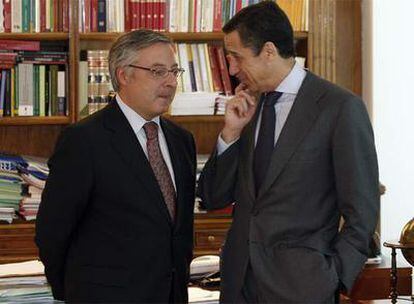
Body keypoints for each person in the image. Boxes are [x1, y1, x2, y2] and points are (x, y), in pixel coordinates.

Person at [198, 1, 379, 303]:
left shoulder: (339, 108)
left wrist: (333, 277)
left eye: (236, 58)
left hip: (305, 287)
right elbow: (213, 196)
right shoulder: (247, 107)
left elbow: (362, 211)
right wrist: (230, 134)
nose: (231, 70)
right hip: (238, 286)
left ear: (268, 51)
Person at [35, 29, 196, 303]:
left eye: (174, 71)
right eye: (158, 71)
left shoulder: (182, 141)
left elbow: (178, 231)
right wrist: (72, 293)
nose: (170, 82)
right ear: (124, 75)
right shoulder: (84, 141)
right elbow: (52, 233)